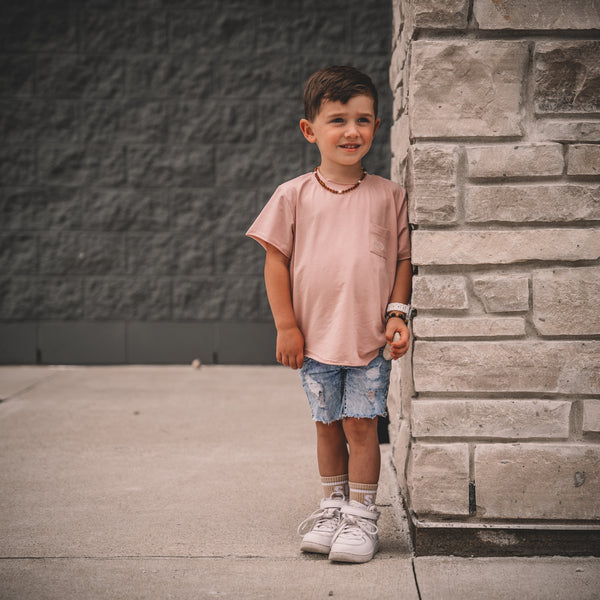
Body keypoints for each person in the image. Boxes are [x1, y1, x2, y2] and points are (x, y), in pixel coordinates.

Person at [246, 65, 412, 564]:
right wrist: (286, 325)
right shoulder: (293, 194)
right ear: (310, 130)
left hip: (366, 339)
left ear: (376, 128)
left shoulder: (388, 196)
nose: (351, 131)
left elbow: (403, 259)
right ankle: (332, 508)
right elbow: (275, 259)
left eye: (363, 120)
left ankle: (362, 517)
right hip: (315, 338)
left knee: (361, 426)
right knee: (325, 426)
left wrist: (398, 313)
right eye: (337, 120)